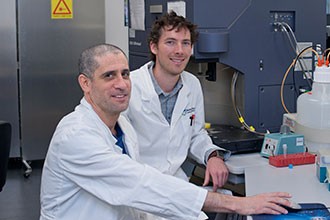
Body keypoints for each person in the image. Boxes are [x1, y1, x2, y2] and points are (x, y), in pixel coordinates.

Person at [40, 43, 292, 220]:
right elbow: (140, 184)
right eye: (109, 76)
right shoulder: (76, 137)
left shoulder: (122, 126)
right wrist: (238, 204)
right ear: (86, 83)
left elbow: (143, 185)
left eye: (125, 74)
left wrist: (212, 159)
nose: (121, 84)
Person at [124, 11, 229, 191]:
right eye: (170, 42)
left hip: (176, 186)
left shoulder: (192, 85)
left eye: (186, 43)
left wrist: (212, 155)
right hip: (138, 188)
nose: (179, 51)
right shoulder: (129, 87)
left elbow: (196, 134)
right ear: (153, 47)